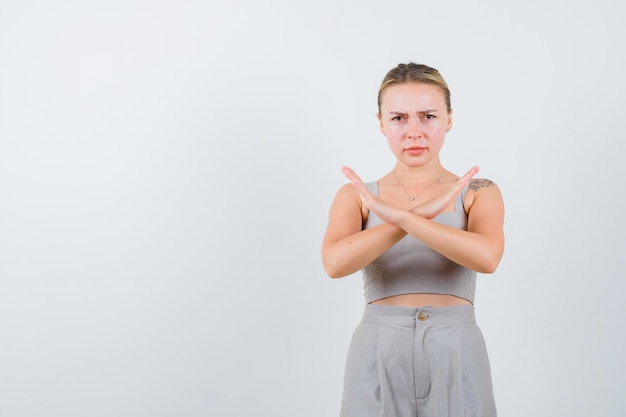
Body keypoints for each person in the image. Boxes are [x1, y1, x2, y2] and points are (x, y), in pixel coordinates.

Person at [321, 62, 505, 417]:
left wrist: (403, 215)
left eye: (428, 116)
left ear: (449, 119)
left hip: (456, 347)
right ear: (381, 123)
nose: (414, 131)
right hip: (377, 348)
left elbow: (488, 257)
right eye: (399, 118)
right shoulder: (357, 195)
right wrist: (419, 215)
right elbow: (334, 263)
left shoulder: (477, 191)